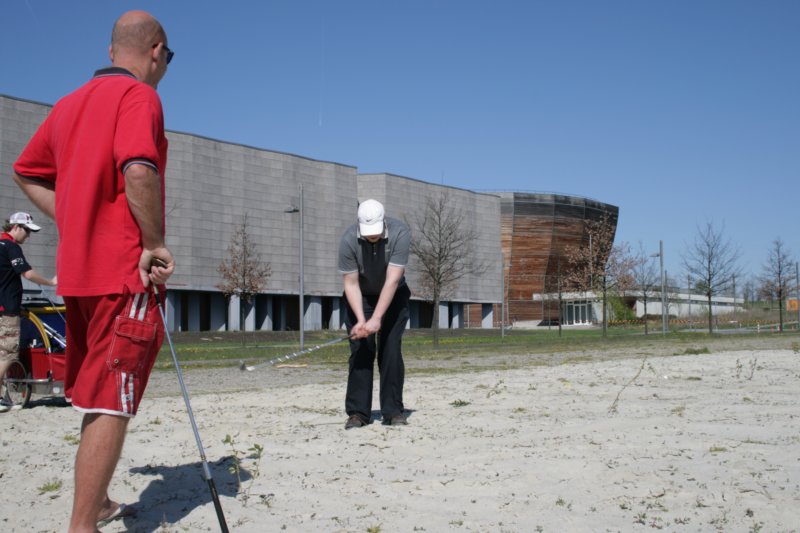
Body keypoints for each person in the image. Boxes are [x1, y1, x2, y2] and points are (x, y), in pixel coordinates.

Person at [12, 11, 175, 532]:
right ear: (156, 50)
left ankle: (99, 503)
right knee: (111, 400)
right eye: (168, 57)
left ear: (110, 52)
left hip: (78, 276)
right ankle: (82, 525)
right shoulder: (138, 96)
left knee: (96, 392)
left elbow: (26, 171)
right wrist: (154, 242)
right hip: (122, 273)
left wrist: (72, 213)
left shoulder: (68, 104)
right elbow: (139, 168)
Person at [338, 199, 412, 429]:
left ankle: (393, 411)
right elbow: (351, 284)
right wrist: (361, 320)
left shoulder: (400, 233)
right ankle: (358, 413)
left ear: (384, 222)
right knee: (361, 349)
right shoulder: (348, 240)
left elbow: (392, 280)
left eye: (376, 231)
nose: (372, 236)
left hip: (394, 296)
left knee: (390, 350)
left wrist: (377, 318)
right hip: (361, 296)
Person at [0, 212, 57, 413]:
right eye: (27, 231)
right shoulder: (11, 247)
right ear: (15, 227)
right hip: (7, 309)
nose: (28, 236)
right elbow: (28, 273)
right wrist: (51, 282)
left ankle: (3, 397)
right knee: (7, 354)